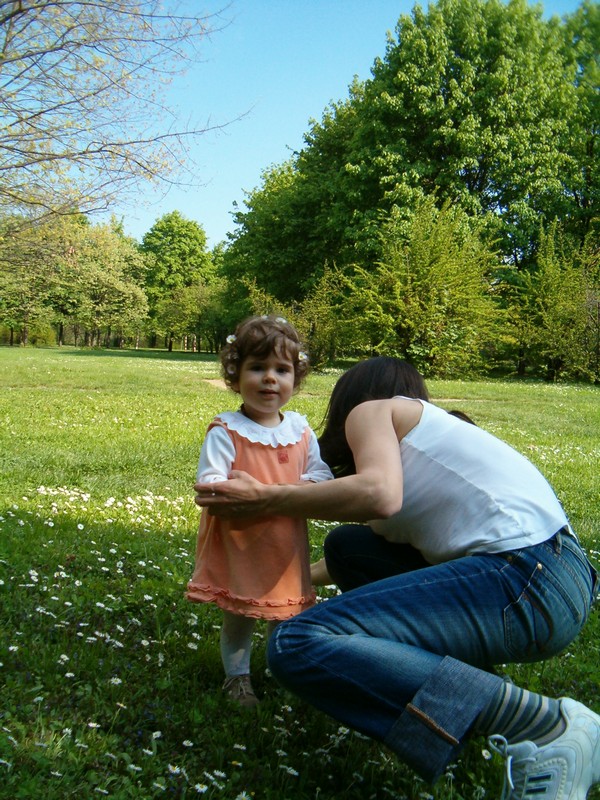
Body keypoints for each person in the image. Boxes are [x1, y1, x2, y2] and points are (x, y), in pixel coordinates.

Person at [194, 356, 599, 798]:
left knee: (296, 642)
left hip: (523, 577)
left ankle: (544, 724)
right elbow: (351, 558)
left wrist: (266, 497)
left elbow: (380, 496)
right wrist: (273, 583)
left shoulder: (373, 411)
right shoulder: (428, 451)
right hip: (558, 582)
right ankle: (496, 707)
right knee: (348, 547)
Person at [186, 315, 332, 707]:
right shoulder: (227, 430)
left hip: (285, 544)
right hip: (241, 543)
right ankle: (237, 678)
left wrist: (281, 492)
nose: (270, 378)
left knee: (286, 612)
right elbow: (210, 485)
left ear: (295, 380)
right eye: (257, 367)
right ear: (235, 376)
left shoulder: (300, 430)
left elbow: (321, 476)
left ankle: (285, 671)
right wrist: (235, 492)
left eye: (281, 370)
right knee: (240, 613)